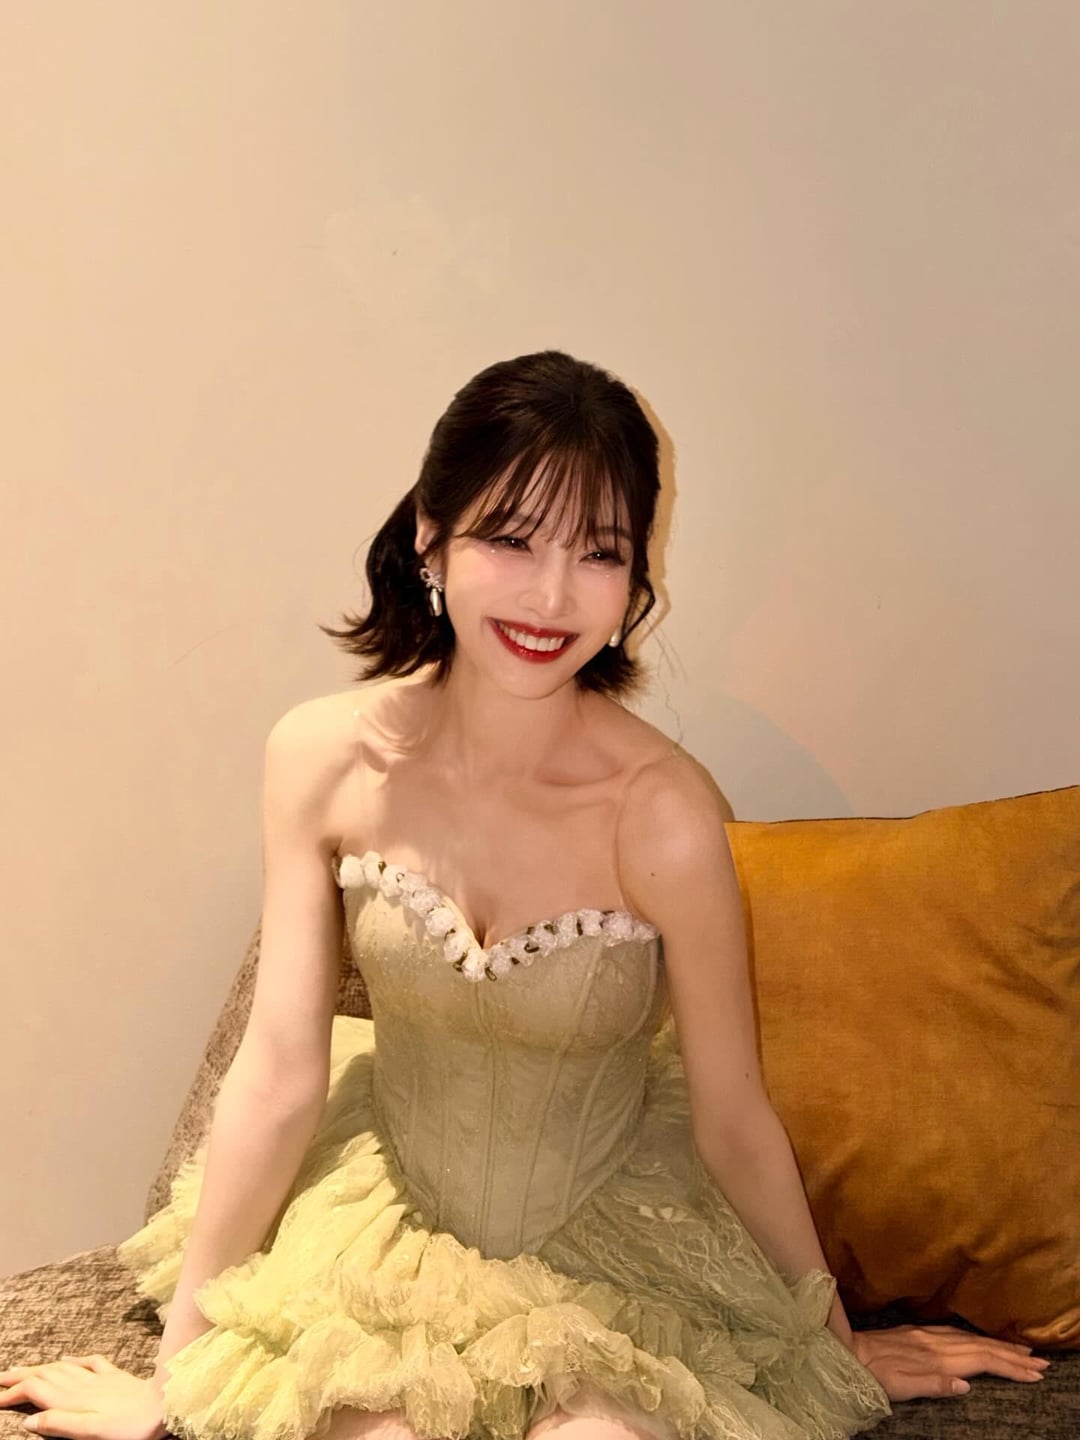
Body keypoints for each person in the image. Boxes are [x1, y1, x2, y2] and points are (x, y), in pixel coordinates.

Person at [0, 351, 1048, 1440]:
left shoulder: (664, 812)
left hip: (616, 1246)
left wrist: (833, 1347)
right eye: (511, 538)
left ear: (636, 576)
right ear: (431, 537)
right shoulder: (319, 759)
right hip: (384, 1233)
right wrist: (175, 1381)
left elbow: (735, 1116)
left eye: (599, 552)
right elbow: (275, 1075)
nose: (552, 597)